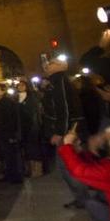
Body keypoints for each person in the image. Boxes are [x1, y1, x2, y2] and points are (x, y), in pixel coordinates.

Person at [41, 57, 88, 208]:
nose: (47, 66)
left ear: (61, 67)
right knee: (69, 165)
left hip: (68, 132)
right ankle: (82, 197)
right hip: (70, 130)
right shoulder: (56, 82)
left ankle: (83, 198)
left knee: (68, 166)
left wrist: (60, 132)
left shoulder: (59, 81)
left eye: (51, 63)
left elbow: (64, 108)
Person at [0, 83, 23, 184]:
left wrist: (12, 134)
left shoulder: (7, 103)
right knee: (5, 155)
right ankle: (8, 174)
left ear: (3, 91)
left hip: (7, 133)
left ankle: (14, 176)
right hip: (0, 133)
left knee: (11, 155)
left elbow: (11, 120)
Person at [17, 79, 43, 177]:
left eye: (22, 85)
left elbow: (33, 112)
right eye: (18, 85)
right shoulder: (16, 98)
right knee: (26, 149)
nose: (20, 87)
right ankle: (28, 169)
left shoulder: (32, 97)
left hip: (32, 126)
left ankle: (37, 170)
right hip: (22, 126)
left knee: (34, 148)